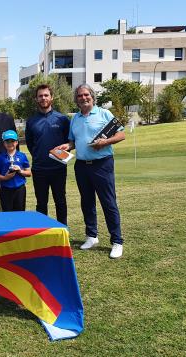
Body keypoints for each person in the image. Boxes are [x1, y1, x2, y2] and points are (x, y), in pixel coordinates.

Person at [57, 84, 126, 259]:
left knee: (108, 202)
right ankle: (92, 236)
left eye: (86, 94)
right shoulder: (75, 119)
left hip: (102, 164)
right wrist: (67, 146)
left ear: (92, 96)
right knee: (87, 202)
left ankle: (117, 241)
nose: (83, 98)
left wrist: (106, 142)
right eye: (80, 96)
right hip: (81, 165)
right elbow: (73, 142)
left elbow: (121, 135)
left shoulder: (104, 114)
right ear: (76, 99)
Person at [25, 84, 70, 225]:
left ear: (52, 97)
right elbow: (30, 144)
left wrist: (61, 153)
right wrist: (40, 156)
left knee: (60, 201)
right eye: (40, 96)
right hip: (39, 170)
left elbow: (69, 143)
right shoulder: (31, 121)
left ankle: (63, 231)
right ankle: (42, 232)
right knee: (41, 203)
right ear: (36, 99)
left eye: (46, 95)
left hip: (58, 168)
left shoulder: (62, 119)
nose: (43, 98)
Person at [0, 130, 31, 212]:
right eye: (7, 141)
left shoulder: (22, 156)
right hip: (6, 189)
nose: (10, 143)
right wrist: (5, 177)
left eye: (12, 141)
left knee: (20, 213)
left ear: (17, 142)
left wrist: (20, 171)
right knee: (7, 214)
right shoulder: (0, 157)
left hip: (19, 189)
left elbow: (29, 173)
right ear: (4, 143)